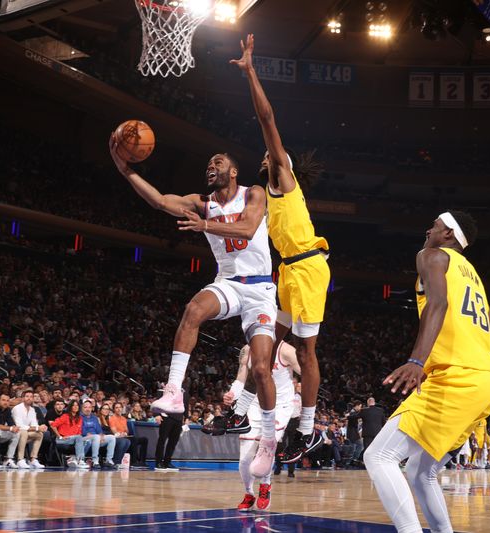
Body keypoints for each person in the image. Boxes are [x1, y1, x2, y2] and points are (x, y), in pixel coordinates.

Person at [110, 129, 278, 477]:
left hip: (261, 289)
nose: (210, 167)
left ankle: (269, 439)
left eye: (218, 163)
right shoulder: (202, 202)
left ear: (233, 172)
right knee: (193, 310)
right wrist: (125, 169)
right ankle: (173, 392)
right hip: (229, 284)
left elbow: (247, 230)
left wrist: (204, 225)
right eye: (208, 165)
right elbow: (158, 200)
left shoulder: (253, 193)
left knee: (261, 368)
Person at [364, 211, 490, 533]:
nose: (428, 230)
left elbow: (437, 304)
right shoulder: (474, 277)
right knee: (420, 471)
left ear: (449, 234)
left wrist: (417, 361)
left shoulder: (431, 255)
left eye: (435, 226)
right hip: (486, 382)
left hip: (458, 378)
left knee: (379, 457)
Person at [228, 34, 330, 464]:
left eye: (272, 154)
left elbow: (267, 118)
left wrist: (251, 71)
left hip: (307, 268)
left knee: (305, 351)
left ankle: (307, 429)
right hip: (288, 271)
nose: (266, 156)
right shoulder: (264, 196)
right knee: (264, 345)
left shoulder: (283, 177)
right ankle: (241, 410)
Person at [225, 342, 299, 511]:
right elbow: (242, 376)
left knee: (266, 446)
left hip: (280, 406)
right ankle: (249, 493)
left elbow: (309, 372)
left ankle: (265, 485)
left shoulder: (286, 351)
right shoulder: (247, 349)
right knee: (245, 457)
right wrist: (233, 393)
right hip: (253, 403)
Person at [11, 390, 46, 469]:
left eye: (31, 397)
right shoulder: (17, 408)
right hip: (15, 433)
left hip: (26, 433)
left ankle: (33, 459)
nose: (29, 398)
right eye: (27, 396)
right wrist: (37, 428)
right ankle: (20, 459)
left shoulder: (32, 410)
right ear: (23, 398)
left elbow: (34, 424)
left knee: (39, 434)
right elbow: (19, 426)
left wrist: (41, 428)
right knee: (24, 432)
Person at [155, 390, 188, 472]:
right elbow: (157, 402)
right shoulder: (165, 388)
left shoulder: (183, 391)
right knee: (162, 440)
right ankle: (158, 462)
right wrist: (157, 414)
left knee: (173, 442)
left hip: (179, 419)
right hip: (166, 417)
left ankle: (167, 462)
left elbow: (185, 404)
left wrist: (186, 417)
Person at [50, 400, 88, 469]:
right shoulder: (65, 416)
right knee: (79, 438)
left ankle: (74, 458)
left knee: (86, 441)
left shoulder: (80, 418)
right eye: (74, 405)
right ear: (70, 407)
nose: (76, 407)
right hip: (61, 440)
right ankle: (80, 460)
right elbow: (53, 425)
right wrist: (60, 436)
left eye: (77, 405)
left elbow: (79, 433)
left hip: (73, 439)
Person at [80, 399, 117, 470]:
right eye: (85, 407)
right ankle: (95, 461)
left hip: (95, 438)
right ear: (82, 408)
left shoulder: (94, 417)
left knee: (111, 437)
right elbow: (80, 429)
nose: (87, 409)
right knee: (96, 437)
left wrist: (101, 435)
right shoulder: (80, 417)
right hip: (84, 438)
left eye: (89, 407)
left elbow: (98, 428)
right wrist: (87, 434)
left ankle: (108, 460)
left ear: (92, 408)